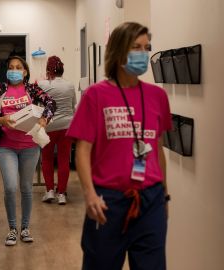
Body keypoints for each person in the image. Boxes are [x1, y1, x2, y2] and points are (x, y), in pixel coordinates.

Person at [66, 22, 172, 269]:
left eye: (147, 48)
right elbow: (83, 150)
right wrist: (89, 193)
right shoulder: (96, 95)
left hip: (151, 199)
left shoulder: (158, 96)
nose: (142, 54)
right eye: (136, 47)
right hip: (108, 201)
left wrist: (164, 196)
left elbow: (158, 149)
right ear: (118, 50)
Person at [0, 56, 56, 246]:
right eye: (11, 67)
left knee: (26, 188)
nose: (14, 70)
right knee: (10, 187)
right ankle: (12, 229)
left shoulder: (32, 89)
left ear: (24, 72)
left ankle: (25, 228)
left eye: (18, 67)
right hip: (6, 146)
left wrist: (44, 119)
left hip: (29, 147)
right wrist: (0, 120)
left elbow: (51, 104)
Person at [38, 56, 77, 205]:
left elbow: (37, 104)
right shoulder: (70, 85)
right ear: (62, 69)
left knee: (47, 158)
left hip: (48, 126)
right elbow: (74, 105)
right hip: (67, 126)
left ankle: (49, 191)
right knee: (63, 160)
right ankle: (62, 193)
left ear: (48, 69)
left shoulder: (42, 84)